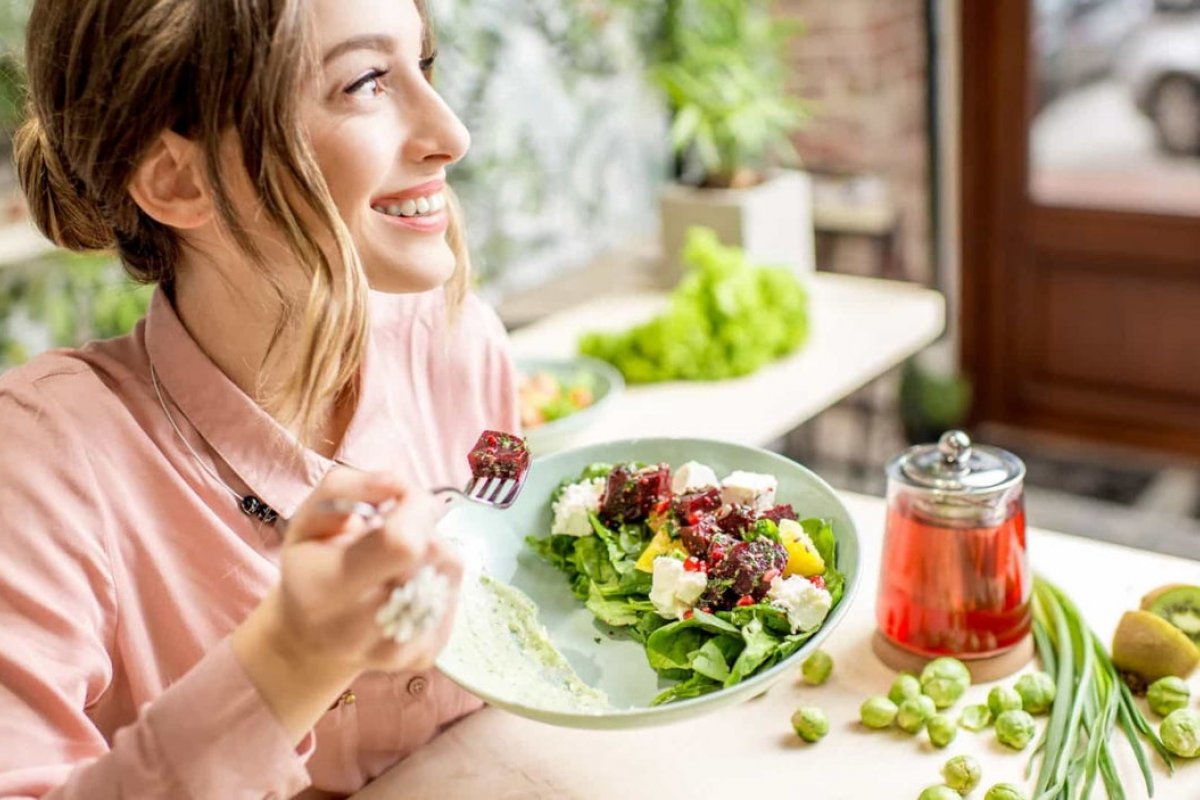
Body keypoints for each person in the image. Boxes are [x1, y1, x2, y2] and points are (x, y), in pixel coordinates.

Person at [0, 0, 519, 796]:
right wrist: (292, 661)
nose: (452, 133)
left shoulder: (458, 342)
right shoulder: (38, 462)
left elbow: (516, 580)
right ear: (176, 179)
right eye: (367, 82)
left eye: (425, 64)